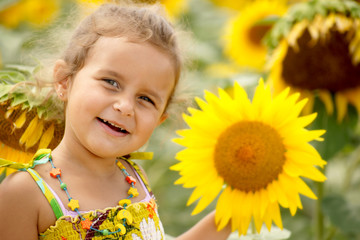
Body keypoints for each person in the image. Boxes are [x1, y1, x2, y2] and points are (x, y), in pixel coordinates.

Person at [0, 2, 231, 240]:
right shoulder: (25, 193)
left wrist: (227, 219)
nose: (126, 107)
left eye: (146, 99)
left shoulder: (134, 178)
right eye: (111, 82)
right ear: (64, 81)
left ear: (159, 120)